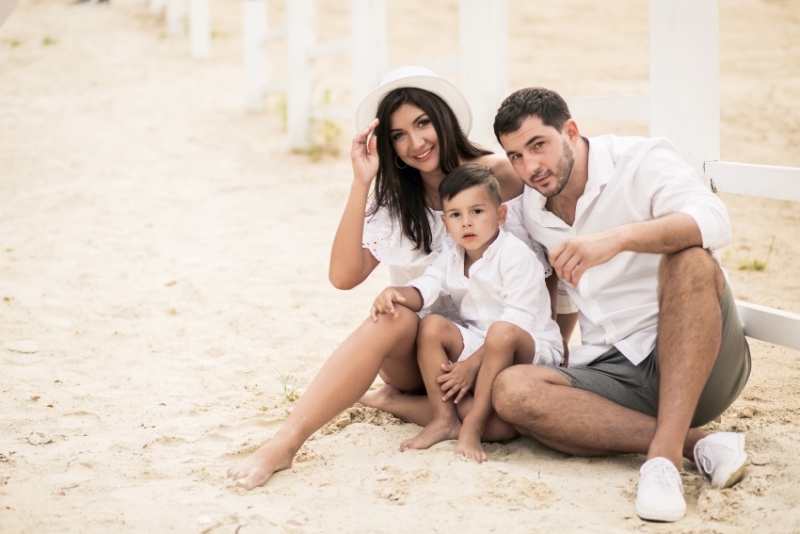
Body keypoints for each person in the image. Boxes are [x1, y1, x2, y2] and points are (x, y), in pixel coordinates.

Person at [226, 66, 560, 490]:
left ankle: (398, 404)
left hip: (498, 354)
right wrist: (361, 181)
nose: (415, 142)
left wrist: (561, 343)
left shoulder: (500, 177)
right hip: (423, 354)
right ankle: (285, 443)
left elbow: (553, 258)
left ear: (443, 119)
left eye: (422, 123)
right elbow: (343, 277)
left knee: (499, 426)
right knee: (396, 313)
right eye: (399, 135)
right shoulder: (397, 203)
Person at [490, 87, 751, 522]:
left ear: (570, 131)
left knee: (689, 259)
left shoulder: (640, 161)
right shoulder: (530, 209)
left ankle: (663, 461)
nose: (531, 167)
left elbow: (715, 220)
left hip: (696, 358)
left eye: (539, 145)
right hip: (614, 373)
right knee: (512, 390)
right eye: (516, 156)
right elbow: (548, 288)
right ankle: (697, 443)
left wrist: (616, 239)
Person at [370, 164, 564, 462]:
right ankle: (444, 418)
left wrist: (472, 365)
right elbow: (429, 283)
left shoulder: (515, 255)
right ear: (446, 223)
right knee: (433, 325)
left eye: (477, 211)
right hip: (482, 341)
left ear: (500, 215)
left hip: (531, 348)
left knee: (501, 341)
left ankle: (470, 426)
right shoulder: (452, 253)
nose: (467, 223)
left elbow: (517, 321)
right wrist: (398, 294)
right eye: (456, 215)